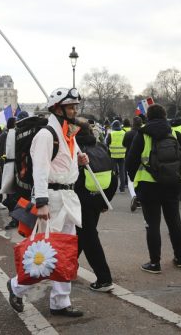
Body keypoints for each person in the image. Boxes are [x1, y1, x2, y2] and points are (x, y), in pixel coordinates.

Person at [7, 87, 88, 317]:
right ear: (57, 108)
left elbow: (61, 166)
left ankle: (61, 301)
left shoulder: (68, 134)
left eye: (75, 106)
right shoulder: (46, 135)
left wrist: (79, 161)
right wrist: (41, 201)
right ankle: (16, 287)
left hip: (68, 199)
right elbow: (40, 171)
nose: (74, 110)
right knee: (45, 250)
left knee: (66, 251)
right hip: (51, 199)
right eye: (70, 106)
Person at [126, 104, 181, 273]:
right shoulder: (175, 133)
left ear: (148, 117)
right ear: (164, 116)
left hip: (149, 185)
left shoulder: (142, 134)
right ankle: (180, 257)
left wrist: (136, 181)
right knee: (174, 221)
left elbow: (131, 161)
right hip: (172, 183)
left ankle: (155, 263)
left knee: (152, 224)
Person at [75, 119, 117, 292]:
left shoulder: (76, 150)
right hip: (98, 198)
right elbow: (113, 175)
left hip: (80, 199)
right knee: (80, 236)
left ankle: (104, 278)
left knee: (88, 237)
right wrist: (106, 201)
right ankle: (67, 268)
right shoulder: (100, 147)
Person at [123, 116, 143, 211]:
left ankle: (134, 196)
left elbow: (124, 144)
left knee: (131, 180)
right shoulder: (144, 133)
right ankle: (140, 197)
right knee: (141, 179)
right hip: (142, 159)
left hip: (130, 158)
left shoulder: (128, 134)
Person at [106, 120, 127, 192]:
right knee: (122, 172)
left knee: (113, 172)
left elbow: (107, 143)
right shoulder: (124, 133)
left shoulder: (111, 134)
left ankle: (113, 188)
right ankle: (122, 188)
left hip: (113, 155)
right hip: (122, 155)